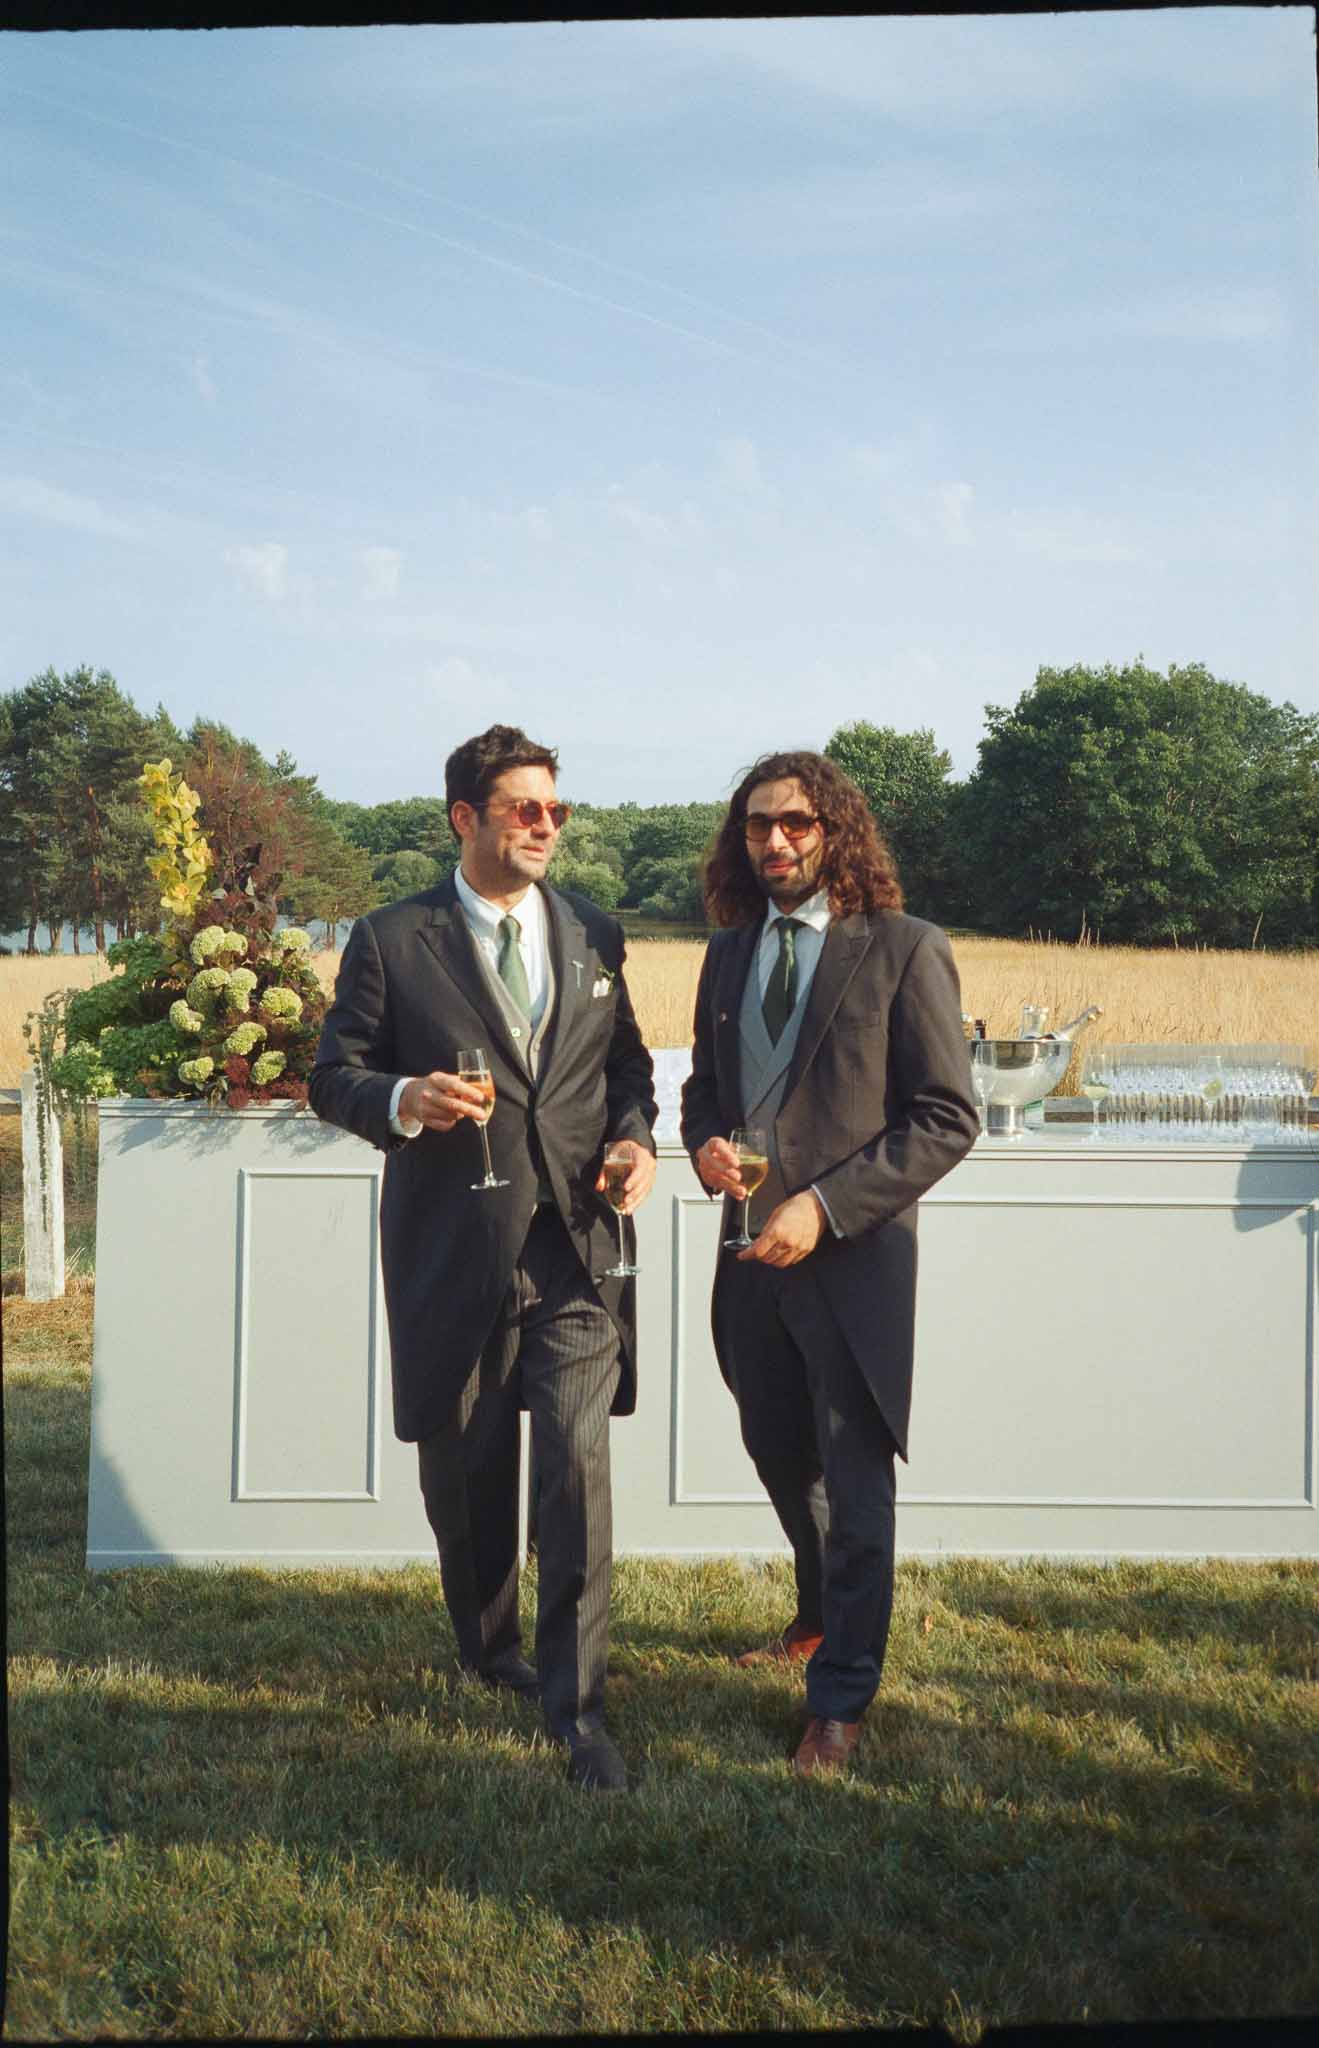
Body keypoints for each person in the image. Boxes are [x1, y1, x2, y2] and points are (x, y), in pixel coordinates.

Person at [311, 724, 657, 1792]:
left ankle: (578, 1705)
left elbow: (627, 1069)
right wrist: (401, 1100)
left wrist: (636, 1139)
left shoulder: (596, 930)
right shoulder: (389, 938)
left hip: (576, 1249)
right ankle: (488, 1645)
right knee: (463, 1468)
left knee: (574, 1464)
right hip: (453, 1242)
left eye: (554, 807)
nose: (546, 824)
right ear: (465, 817)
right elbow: (335, 1075)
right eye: (523, 807)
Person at [680, 749, 977, 1777]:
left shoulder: (903, 950)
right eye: (758, 824)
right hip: (743, 1261)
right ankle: (815, 1616)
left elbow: (946, 1118)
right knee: (774, 1449)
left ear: (833, 830)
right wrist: (706, 1142)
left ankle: (840, 1698)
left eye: (796, 822)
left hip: (850, 1267)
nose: (775, 840)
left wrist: (821, 1204)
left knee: (854, 1485)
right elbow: (702, 1091)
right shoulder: (726, 952)